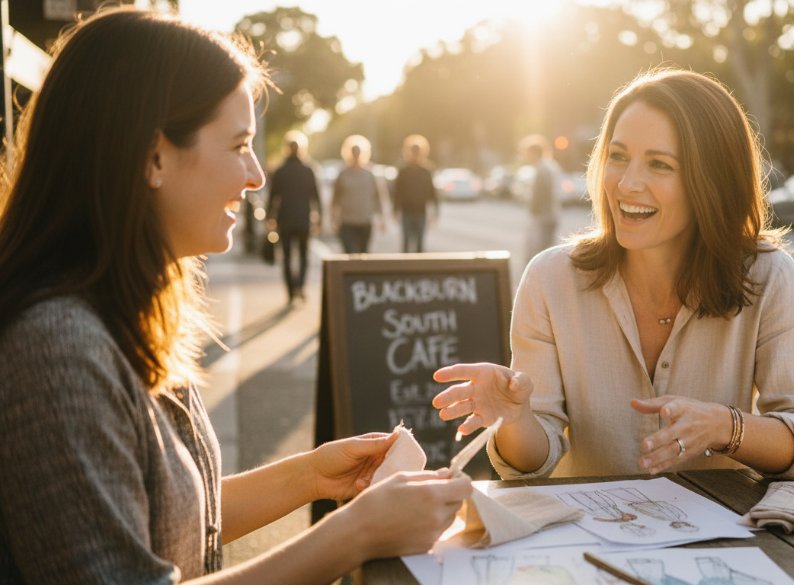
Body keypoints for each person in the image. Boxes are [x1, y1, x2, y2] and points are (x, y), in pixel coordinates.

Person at [0, 8, 470, 584]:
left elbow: (165, 515)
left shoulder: (119, 311)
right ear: (153, 156)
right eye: (239, 144)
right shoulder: (59, 347)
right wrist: (356, 533)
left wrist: (311, 477)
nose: (256, 175)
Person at [432, 69, 794, 481]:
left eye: (659, 164)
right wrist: (517, 420)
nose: (627, 183)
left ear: (713, 180)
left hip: (723, 539)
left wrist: (726, 427)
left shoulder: (769, 276)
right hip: (587, 538)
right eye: (618, 156)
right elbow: (533, 463)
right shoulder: (549, 279)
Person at [267, 131, 321, 304]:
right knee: (304, 255)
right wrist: (319, 218)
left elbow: (273, 197)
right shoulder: (308, 170)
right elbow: (316, 197)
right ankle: (300, 287)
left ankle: (291, 291)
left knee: (287, 256)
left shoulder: (280, 171)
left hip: (285, 219)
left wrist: (270, 217)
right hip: (304, 218)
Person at [331, 134, 387, 254]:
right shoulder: (343, 174)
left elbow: (378, 197)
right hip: (347, 221)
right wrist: (333, 218)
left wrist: (382, 218)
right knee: (349, 253)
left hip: (365, 221)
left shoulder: (370, 174)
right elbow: (335, 198)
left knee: (363, 253)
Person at [393, 134, 439, 253]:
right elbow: (397, 192)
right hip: (406, 211)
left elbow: (432, 192)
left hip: (421, 211)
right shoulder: (403, 171)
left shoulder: (426, 171)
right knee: (406, 241)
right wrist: (395, 210)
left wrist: (435, 210)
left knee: (420, 242)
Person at [519, 134, 562, 260]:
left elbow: (540, 196)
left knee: (538, 254)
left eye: (527, 153)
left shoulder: (542, 169)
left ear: (533, 152)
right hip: (551, 215)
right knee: (548, 251)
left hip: (542, 217)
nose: (526, 156)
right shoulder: (551, 166)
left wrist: (533, 213)